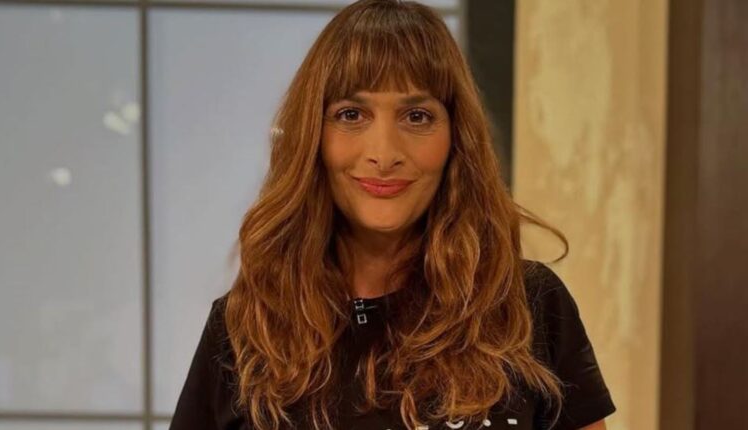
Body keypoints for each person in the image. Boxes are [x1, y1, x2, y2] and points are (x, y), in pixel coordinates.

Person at [170, 1, 616, 429]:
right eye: (351, 114)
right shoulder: (247, 325)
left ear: (456, 138)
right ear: (313, 137)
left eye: (417, 116)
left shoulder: (529, 305)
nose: (384, 154)